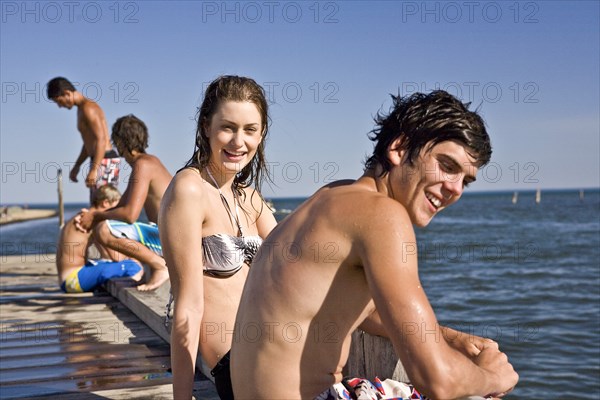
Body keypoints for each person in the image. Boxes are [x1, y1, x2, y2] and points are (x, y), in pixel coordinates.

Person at [230, 91, 519, 399]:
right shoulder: (383, 215)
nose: (455, 189)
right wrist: (493, 375)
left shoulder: (333, 196)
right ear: (399, 147)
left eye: (466, 180)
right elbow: (439, 380)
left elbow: (343, 306)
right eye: (447, 166)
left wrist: (449, 338)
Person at [158, 76, 277, 399]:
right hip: (237, 365)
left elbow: (297, 262)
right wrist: (182, 397)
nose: (239, 141)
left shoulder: (250, 198)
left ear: (261, 134)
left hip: (278, 351)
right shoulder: (190, 189)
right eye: (228, 127)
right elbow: (188, 307)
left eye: (250, 130)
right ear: (206, 127)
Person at [76, 114, 172, 291]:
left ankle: (159, 266)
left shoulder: (143, 164)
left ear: (120, 142)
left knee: (103, 229)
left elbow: (129, 215)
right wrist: (91, 214)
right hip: (168, 237)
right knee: (101, 223)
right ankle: (154, 266)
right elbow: (121, 204)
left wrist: (97, 216)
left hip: (172, 239)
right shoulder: (147, 162)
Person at [56, 185, 142, 293]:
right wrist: (136, 256)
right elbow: (117, 257)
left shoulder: (79, 218)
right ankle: (131, 295)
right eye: (115, 207)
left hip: (67, 280)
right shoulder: (94, 221)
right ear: (105, 203)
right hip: (73, 280)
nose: (115, 212)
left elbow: (106, 254)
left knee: (106, 264)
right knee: (134, 266)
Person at [47, 77, 120, 202]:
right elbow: (89, 144)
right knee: (97, 205)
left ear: (67, 93)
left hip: (105, 160)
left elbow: (101, 139)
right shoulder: (81, 109)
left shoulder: (88, 108)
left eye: (59, 101)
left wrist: (94, 169)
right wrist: (77, 166)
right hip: (99, 159)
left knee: (104, 205)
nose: (59, 106)